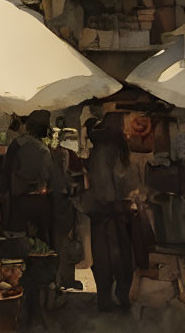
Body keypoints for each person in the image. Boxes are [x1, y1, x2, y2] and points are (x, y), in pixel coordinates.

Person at [83, 113, 138, 312]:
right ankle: (114, 298)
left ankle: (111, 298)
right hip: (110, 211)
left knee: (110, 258)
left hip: (108, 211)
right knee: (115, 258)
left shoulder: (104, 150)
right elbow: (114, 183)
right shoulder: (110, 151)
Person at [3, 111, 54, 246]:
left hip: (17, 198)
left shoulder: (16, 144)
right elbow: (46, 176)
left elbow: (6, 170)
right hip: (37, 200)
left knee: (17, 240)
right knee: (40, 242)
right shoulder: (43, 150)